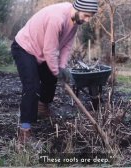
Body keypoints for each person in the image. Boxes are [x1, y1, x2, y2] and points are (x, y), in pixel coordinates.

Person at [11, 0, 99, 143]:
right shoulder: (57, 19)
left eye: (90, 17)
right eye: (86, 15)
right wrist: (56, 70)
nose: (87, 20)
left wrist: (62, 67)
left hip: (41, 50)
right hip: (25, 48)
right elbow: (50, 50)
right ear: (78, 9)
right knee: (32, 87)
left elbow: (66, 46)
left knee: (50, 79)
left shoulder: (75, 21)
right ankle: (25, 130)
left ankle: (42, 107)